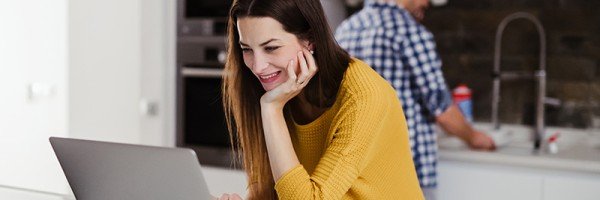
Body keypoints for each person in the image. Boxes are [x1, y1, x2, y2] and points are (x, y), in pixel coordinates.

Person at [219, 0, 424, 199]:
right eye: (247, 49)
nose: (258, 66)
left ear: (310, 39)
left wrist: (271, 109)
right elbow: (273, 190)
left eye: (271, 48)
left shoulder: (363, 95)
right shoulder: (279, 89)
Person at [335, 0, 496, 199]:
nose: (428, 4)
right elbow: (441, 108)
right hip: (407, 169)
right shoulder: (411, 33)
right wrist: (474, 137)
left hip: (357, 168)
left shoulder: (346, 30)